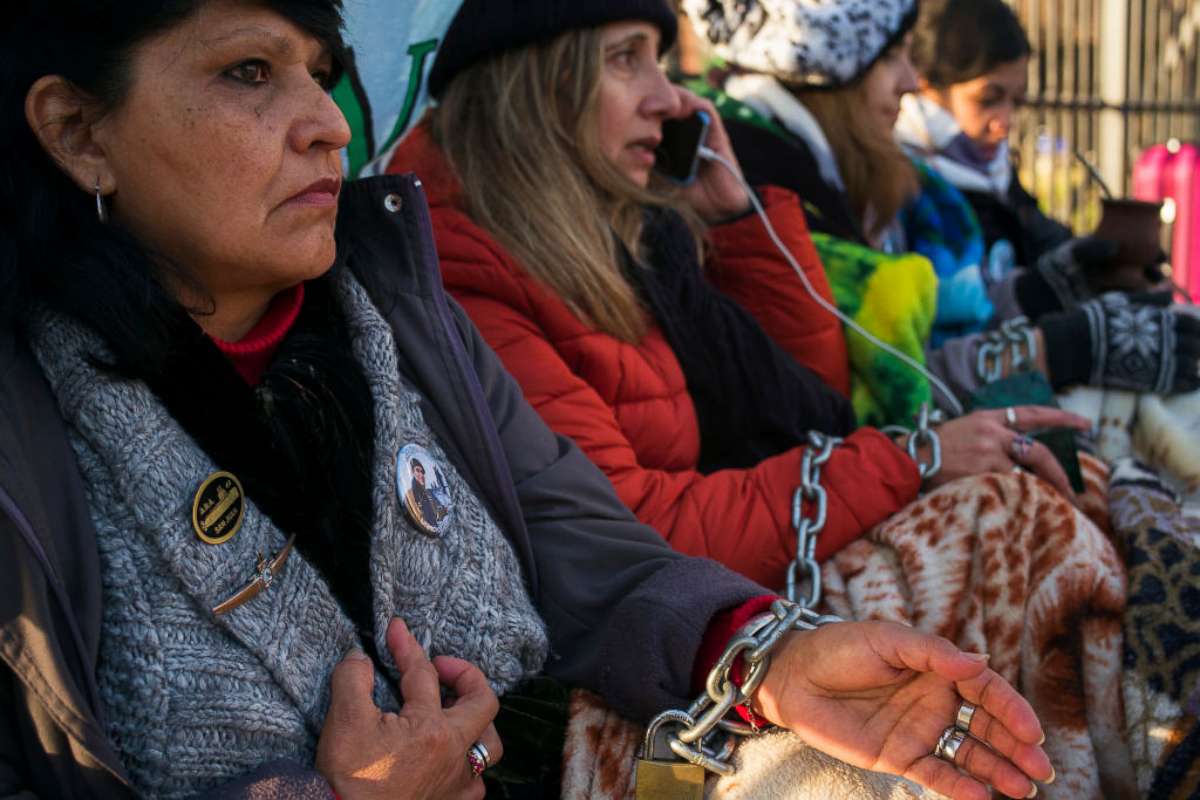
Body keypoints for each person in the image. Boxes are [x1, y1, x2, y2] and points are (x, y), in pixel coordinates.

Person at [0, 1, 1055, 799]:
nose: (326, 124)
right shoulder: (29, 435)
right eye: (247, 73)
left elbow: (583, 536)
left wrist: (766, 654)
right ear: (78, 131)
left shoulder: (407, 314)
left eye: (323, 75)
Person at [683, 0, 1200, 411]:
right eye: (890, 56)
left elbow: (924, 333)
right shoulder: (762, 195)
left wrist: (1048, 289)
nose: (911, 81)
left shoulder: (815, 172)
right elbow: (879, 394)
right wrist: (1060, 348)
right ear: (825, 72)